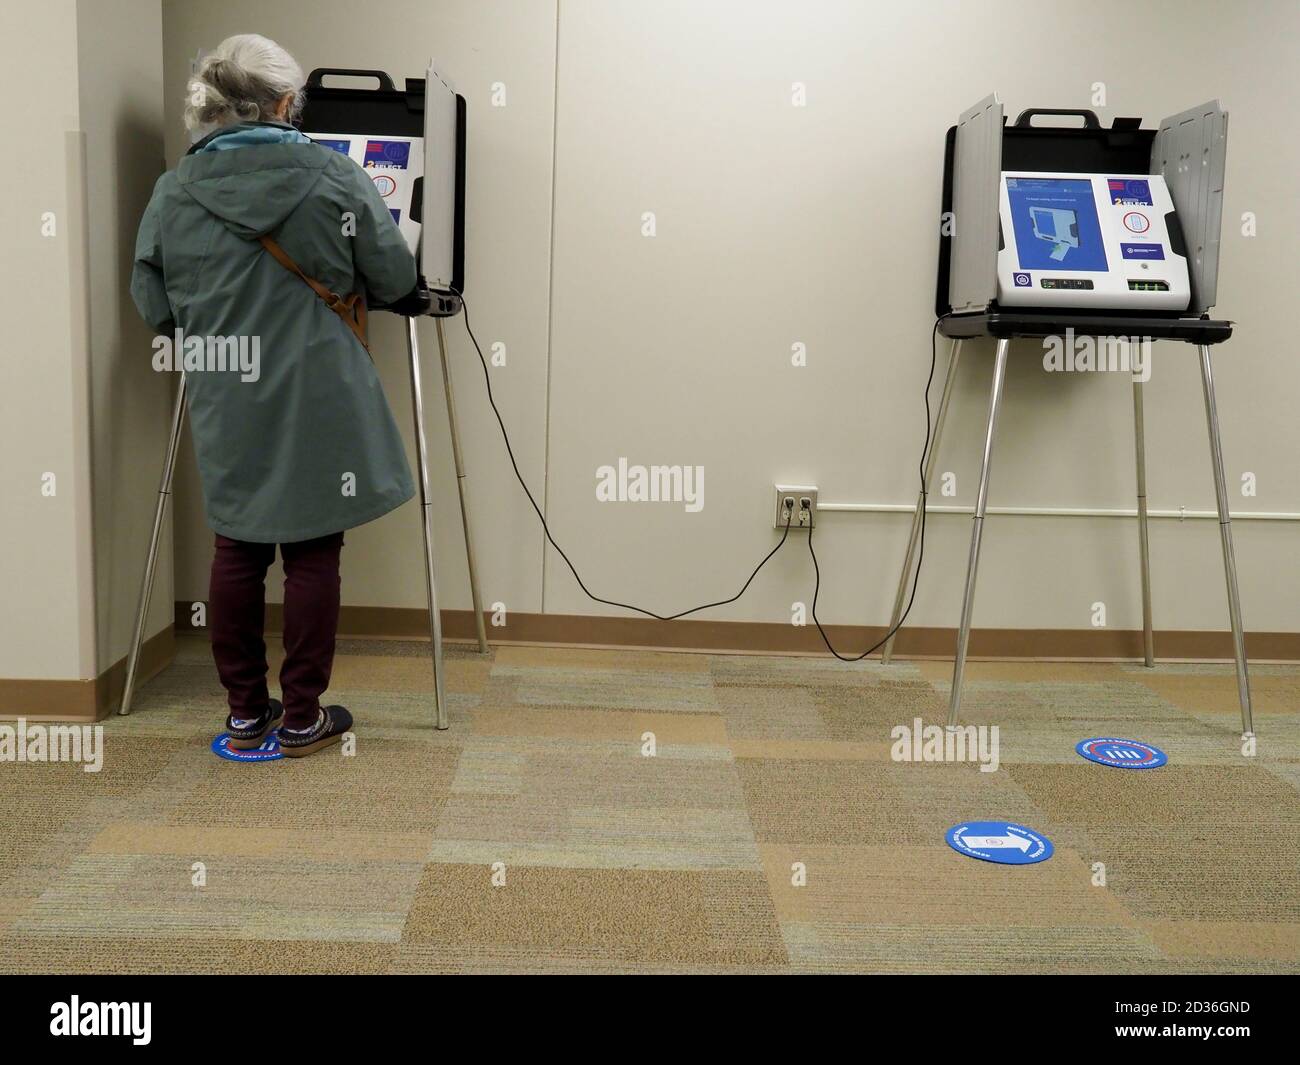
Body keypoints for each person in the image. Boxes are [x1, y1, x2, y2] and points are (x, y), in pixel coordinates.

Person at [131, 34, 428, 757]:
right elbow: (391, 278)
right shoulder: (332, 176)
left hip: (225, 387)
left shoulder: (174, 190)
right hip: (317, 388)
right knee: (313, 551)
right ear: (285, 103)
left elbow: (152, 303)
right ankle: (301, 716)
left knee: (236, 547)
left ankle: (243, 712)